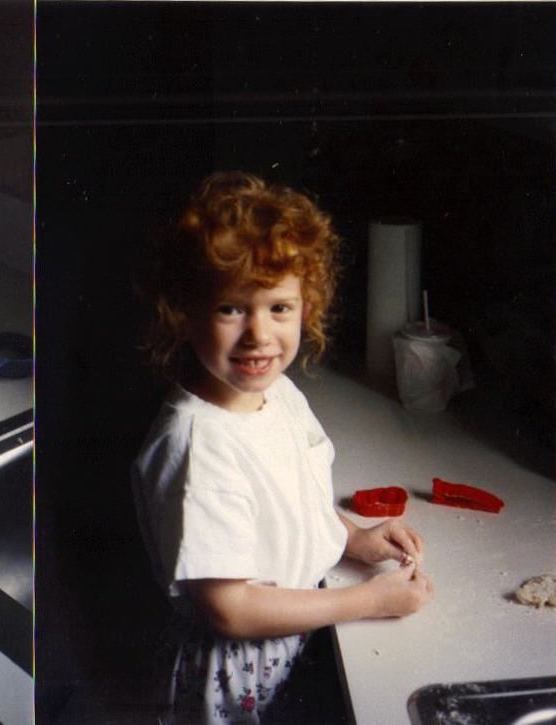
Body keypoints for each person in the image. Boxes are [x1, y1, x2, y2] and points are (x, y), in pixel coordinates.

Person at [131, 171, 435, 723]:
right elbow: (229, 608)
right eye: (231, 309)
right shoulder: (200, 445)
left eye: (279, 308)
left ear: (307, 307)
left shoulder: (279, 393)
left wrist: (352, 539)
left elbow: (292, 502)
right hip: (235, 675)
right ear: (183, 311)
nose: (259, 335)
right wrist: (369, 601)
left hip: (293, 634)